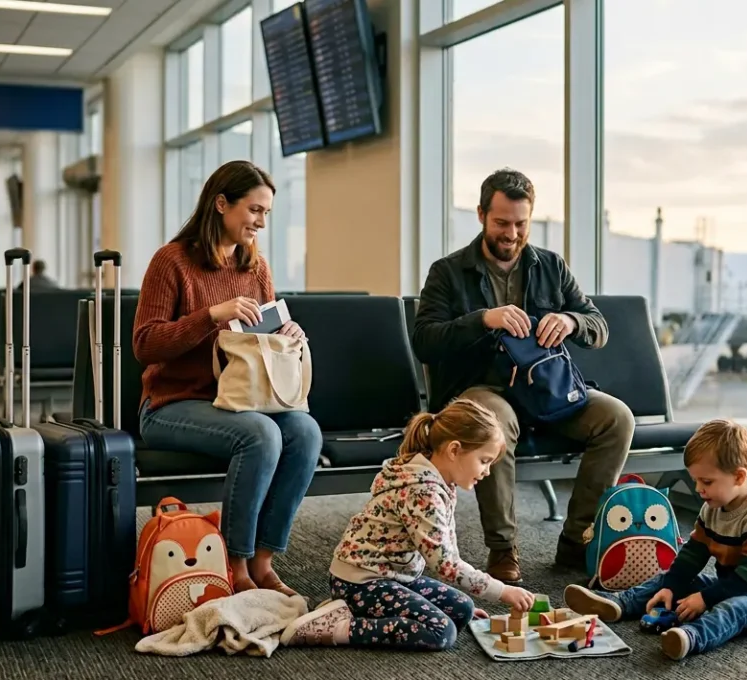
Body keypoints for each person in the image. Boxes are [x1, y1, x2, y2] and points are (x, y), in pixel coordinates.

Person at [411, 167, 636, 583]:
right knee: (493, 422)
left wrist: (570, 321)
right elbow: (425, 341)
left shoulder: (551, 266)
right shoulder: (448, 272)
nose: (511, 233)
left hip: (546, 390)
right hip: (482, 388)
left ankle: (576, 539)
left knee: (617, 418)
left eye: (521, 224)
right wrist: (483, 319)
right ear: (481, 215)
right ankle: (503, 548)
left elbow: (597, 325)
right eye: (501, 223)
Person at [133, 159, 320, 598]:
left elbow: (263, 341)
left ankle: (263, 560)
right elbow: (145, 345)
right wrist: (210, 316)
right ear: (221, 204)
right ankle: (235, 564)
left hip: (240, 399)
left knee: (305, 432)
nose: (260, 222)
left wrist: (286, 335)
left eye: (266, 214)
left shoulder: (255, 267)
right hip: (171, 405)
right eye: (254, 211)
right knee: (261, 436)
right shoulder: (171, 262)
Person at [280, 399, 537, 650]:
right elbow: (446, 566)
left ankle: (349, 608)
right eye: (484, 460)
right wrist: (502, 591)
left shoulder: (438, 479)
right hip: (360, 582)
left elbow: (447, 549)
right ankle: (339, 626)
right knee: (440, 632)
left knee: (464, 610)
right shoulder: (423, 491)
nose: (487, 471)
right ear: (454, 450)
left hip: (396, 576)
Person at [562, 419, 747, 661]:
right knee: (670, 577)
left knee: (738, 608)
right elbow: (693, 553)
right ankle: (620, 604)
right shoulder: (712, 507)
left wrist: (704, 599)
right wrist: (672, 586)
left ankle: (690, 636)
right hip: (731, 584)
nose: (698, 489)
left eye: (706, 482)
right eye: (695, 480)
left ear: (739, 477)